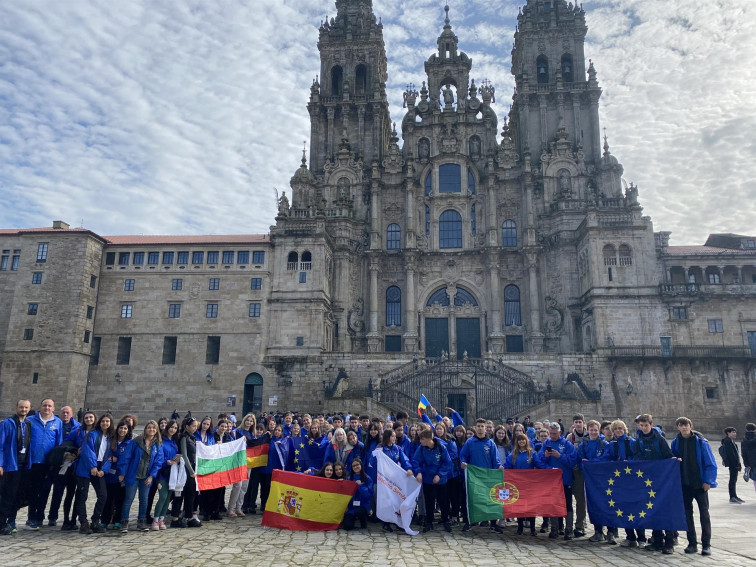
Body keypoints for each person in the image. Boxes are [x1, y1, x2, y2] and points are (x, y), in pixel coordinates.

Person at [670, 416, 717, 556]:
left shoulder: (701, 442)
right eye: (681, 425)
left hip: (699, 484)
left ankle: (706, 544)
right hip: (685, 483)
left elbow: (710, 462)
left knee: (704, 514)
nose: (684, 427)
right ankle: (692, 543)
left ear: (691, 426)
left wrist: (708, 481)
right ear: (678, 427)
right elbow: (673, 459)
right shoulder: (676, 443)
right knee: (687, 515)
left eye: (686, 425)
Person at [119, 419, 164, 533]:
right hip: (133, 475)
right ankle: (124, 522)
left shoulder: (157, 444)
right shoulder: (135, 442)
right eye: (149, 427)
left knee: (144, 500)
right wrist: (122, 473)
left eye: (153, 428)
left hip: (146, 477)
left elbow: (158, 462)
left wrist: (151, 476)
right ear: (145, 429)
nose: (151, 430)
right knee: (128, 499)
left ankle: (141, 521)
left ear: (156, 430)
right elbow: (126, 457)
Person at [460, 418, 503, 533]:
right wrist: (463, 462)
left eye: (482, 426)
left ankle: (493, 523)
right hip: (473, 477)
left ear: (485, 428)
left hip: (488, 477)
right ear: (475, 427)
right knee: (471, 499)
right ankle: (469, 522)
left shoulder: (490, 443)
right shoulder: (469, 442)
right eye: (478, 426)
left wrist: (498, 467)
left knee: (491, 499)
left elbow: (496, 460)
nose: (480, 428)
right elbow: (463, 456)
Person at [26, 398, 63, 530]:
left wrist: (56, 462)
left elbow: (59, 444)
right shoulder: (30, 421)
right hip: (32, 462)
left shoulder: (57, 422)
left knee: (44, 491)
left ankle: (39, 517)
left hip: (48, 464)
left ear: (53, 408)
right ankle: (31, 518)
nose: (47, 408)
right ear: (40, 407)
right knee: (32, 491)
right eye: (45, 405)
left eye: (49, 406)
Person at [73, 413, 113, 534]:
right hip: (86, 468)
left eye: (107, 421)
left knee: (103, 495)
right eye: (103, 421)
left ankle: (95, 520)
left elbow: (110, 456)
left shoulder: (111, 438)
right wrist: (93, 466)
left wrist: (103, 469)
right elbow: (87, 450)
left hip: (99, 468)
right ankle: (83, 522)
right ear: (99, 422)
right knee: (82, 496)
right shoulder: (92, 434)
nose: (105, 423)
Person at [368, 429, 413, 533]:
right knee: (385, 501)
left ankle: (396, 522)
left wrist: (409, 468)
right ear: (387, 437)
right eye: (392, 436)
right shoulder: (380, 448)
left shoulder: (397, 448)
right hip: (383, 480)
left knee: (395, 501)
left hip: (394, 479)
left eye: (394, 436)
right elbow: (372, 462)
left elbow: (404, 459)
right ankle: (386, 523)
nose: (394, 438)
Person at [576, 420, 614, 543]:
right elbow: (580, 458)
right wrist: (586, 468)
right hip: (590, 480)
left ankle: (611, 531)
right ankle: (598, 531)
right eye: (591, 430)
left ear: (599, 430)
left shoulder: (604, 443)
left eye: (595, 430)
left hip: (603, 478)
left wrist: (592, 464)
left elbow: (606, 457)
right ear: (588, 430)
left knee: (607, 503)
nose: (593, 432)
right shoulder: (584, 443)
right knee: (594, 504)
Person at [539, 422, 577, 540]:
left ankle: (568, 529)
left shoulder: (567, 444)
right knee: (553, 504)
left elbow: (572, 462)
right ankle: (554, 528)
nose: (552, 435)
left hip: (565, 479)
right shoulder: (546, 444)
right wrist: (545, 456)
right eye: (551, 433)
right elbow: (539, 460)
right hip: (552, 481)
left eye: (554, 433)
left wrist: (559, 456)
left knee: (567, 505)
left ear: (560, 432)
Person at [0, 400, 33, 535]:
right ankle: (1, 524)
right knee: (6, 496)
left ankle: (8, 520)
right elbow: (0, 444)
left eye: (26, 407)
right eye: (21, 407)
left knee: (15, 495)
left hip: (22, 465)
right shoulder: (7, 423)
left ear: (29, 409)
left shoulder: (28, 424)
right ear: (17, 408)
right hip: (9, 465)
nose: (23, 409)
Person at [412, 428, 453, 533]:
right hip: (427, 479)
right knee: (429, 501)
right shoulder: (421, 448)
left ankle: (445, 520)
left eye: (421, 439)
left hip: (440, 480)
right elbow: (416, 461)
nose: (420, 441)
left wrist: (440, 475)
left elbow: (448, 463)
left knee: (443, 501)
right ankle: (429, 521)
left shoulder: (441, 448)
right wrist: (419, 472)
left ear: (426, 439)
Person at [505, 433, 544, 536]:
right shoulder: (513, 454)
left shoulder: (532, 454)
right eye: (519, 440)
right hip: (517, 485)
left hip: (530, 484)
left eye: (523, 440)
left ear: (526, 441)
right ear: (517, 442)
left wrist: (550, 469)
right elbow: (507, 466)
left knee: (531, 506)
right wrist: (501, 469)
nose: (521, 442)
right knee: (519, 506)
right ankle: (520, 527)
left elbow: (540, 464)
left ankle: (532, 528)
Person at [47, 405, 80, 529]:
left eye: (68, 413)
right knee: (57, 491)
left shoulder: (77, 427)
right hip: (57, 464)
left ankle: (70, 519)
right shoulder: (54, 424)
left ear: (72, 414)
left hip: (72, 465)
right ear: (59, 413)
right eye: (63, 413)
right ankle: (52, 516)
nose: (65, 415)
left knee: (71, 493)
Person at [102, 420, 132, 530]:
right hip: (109, 474)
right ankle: (104, 520)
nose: (122, 430)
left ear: (128, 431)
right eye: (121, 428)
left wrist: (117, 460)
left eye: (125, 428)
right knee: (108, 499)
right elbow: (107, 455)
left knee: (120, 499)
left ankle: (117, 520)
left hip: (122, 475)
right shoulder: (111, 441)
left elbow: (127, 459)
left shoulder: (129, 443)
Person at [152, 420, 181, 530]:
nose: (173, 429)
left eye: (175, 428)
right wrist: (166, 462)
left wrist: (177, 459)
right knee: (163, 496)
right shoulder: (160, 441)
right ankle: (155, 519)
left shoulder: (174, 441)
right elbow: (158, 456)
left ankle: (161, 518)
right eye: (171, 427)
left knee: (168, 497)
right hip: (162, 473)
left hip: (172, 473)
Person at [175, 417, 202, 528]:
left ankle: (189, 515)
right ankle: (178, 517)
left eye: (196, 426)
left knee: (191, 494)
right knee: (182, 494)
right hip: (185, 470)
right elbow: (185, 455)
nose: (195, 428)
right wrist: (191, 471)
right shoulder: (184, 438)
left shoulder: (192, 437)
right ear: (187, 426)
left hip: (193, 468)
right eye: (193, 426)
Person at [566, 413, 588, 537]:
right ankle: (569, 524)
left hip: (583, 471)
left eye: (580, 422)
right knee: (569, 499)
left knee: (581, 500)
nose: (578, 424)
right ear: (573, 424)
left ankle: (579, 525)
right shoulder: (570, 437)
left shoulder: (588, 436)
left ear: (583, 423)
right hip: (572, 470)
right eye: (576, 422)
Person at [343, 458, 372, 531]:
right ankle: (352, 520)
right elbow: (345, 493)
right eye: (353, 466)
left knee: (359, 511)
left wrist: (361, 486)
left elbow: (369, 495)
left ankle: (363, 521)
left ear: (361, 465)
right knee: (347, 526)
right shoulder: (349, 478)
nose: (356, 467)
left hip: (363, 505)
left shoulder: (367, 478)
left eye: (357, 465)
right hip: (351, 507)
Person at [721, 427, 744, 503]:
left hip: (735, 464)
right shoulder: (727, 442)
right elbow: (731, 455)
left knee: (734, 480)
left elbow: (736, 454)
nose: (735, 434)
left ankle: (734, 495)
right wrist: (736, 464)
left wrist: (739, 463)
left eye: (735, 432)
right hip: (733, 464)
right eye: (733, 432)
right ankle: (732, 496)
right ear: (728, 433)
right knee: (732, 480)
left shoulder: (731, 441)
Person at [742, 422, 756, 497]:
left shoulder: (744, 440)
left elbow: (743, 452)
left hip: (750, 462)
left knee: (755, 478)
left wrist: (746, 463)